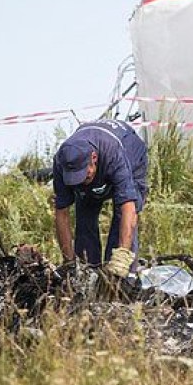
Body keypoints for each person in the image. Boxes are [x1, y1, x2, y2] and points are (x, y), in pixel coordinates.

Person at [52, 119, 148, 278]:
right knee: (84, 214)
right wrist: (69, 262)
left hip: (131, 154)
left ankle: (121, 278)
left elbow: (128, 207)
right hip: (100, 161)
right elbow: (61, 211)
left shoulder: (112, 153)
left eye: (83, 174)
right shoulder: (61, 161)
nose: (80, 180)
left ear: (94, 158)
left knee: (121, 218)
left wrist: (122, 256)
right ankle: (89, 273)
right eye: (75, 177)